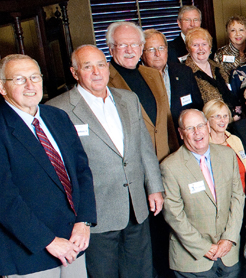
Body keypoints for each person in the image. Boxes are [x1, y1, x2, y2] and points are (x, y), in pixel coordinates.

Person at [46, 46, 163, 278]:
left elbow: (144, 148)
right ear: (75, 72)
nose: (96, 72)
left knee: (141, 272)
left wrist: (155, 188)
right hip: (95, 214)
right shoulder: (57, 110)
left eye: (101, 64)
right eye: (87, 66)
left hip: (136, 206)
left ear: (108, 67)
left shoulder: (128, 99)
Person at [0, 54, 96, 277]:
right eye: (19, 79)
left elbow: (82, 172)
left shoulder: (58, 117)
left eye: (35, 77)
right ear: (3, 88)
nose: (30, 85)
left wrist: (84, 221)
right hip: (28, 253)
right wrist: (48, 241)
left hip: (73, 242)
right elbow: (4, 197)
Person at [161, 109, 245, 278]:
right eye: (190, 128)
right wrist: (204, 247)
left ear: (207, 126)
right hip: (193, 260)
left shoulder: (228, 155)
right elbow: (174, 215)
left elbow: (238, 198)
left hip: (229, 254)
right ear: (181, 133)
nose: (197, 132)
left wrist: (229, 238)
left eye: (200, 125)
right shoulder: (170, 166)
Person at [107, 21, 178, 160]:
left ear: (141, 48)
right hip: (135, 165)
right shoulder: (105, 82)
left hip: (166, 160)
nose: (129, 50)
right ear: (111, 49)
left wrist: (176, 156)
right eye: (122, 45)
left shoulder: (153, 75)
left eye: (134, 44)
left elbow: (167, 121)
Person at [141, 29, 205, 130]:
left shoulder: (184, 72)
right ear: (141, 52)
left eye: (161, 48)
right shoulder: (136, 77)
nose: (157, 53)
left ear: (167, 49)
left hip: (184, 135)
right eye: (151, 49)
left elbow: (197, 107)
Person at [203, 99, 246, 204]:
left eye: (225, 116)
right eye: (217, 116)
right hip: (223, 203)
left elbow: (245, 168)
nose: (222, 120)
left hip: (245, 200)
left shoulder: (234, 140)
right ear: (207, 119)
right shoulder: (204, 146)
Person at [184, 27, 235, 109]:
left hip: (227, 116)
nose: (201, 48)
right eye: (195, 45)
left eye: (204, 44)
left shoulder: (218, 67)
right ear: (188, 49)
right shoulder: (185, 72)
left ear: (210, 47)